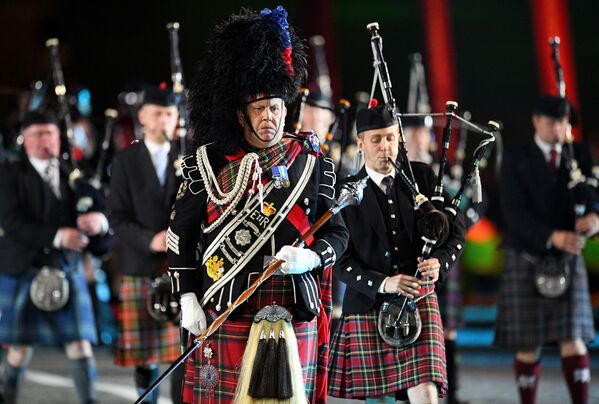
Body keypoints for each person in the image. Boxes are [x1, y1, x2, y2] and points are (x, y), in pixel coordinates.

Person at [166, 6, 348, 403]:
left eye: (276, 108)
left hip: (294, 302)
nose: (270, 117)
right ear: (241, 114)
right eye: (260, 108)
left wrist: (311, 259)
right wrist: (186, 295)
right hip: (225, 305)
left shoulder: (313, 164)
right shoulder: (209, 165)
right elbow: (179, 234)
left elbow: (337, 233)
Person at [328, 102, 466, 403]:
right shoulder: (345, 193)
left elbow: (456, 230)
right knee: (381, 400)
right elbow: (339, 260)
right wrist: (383, 283)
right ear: (361, 144)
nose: (385, 146)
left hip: (418, 300)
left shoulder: (423, 178)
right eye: (376, 139)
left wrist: (440, 262)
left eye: (390, 138)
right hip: (367, 305)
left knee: (427, 394)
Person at [0, 110, 110, 404]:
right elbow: (10, 222)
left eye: (50, 133)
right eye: (37, 134)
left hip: (65, 267)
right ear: (25, 140)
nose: (45, 140)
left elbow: (101, 206)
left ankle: (90, 402)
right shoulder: (9, 174)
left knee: (80, 345)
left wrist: (100, 221)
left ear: (59, 138)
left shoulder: (73, 174)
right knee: (19, 348)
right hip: (24, 267)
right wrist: (58, 236)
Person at [495, 95, 597, 404]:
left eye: (564, 122)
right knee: (529, 343)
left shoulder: (579, 154)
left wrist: (595, 218)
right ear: (536, 121)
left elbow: (594, 195)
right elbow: (512, 212)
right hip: (527, 254)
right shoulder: (516, 157)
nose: (558, 128)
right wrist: (551, 236)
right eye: (552, 122)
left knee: (574, 341)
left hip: (567, 258)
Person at [108, 85, 184, 403]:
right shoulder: (125, 162)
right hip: (140, 265)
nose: (164, 120)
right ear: (142, 117)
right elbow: (117, 217)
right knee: (147, 357)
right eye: (157, 114)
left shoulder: (190, 160)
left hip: (182, 267)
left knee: (184, 350)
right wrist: (149, 240)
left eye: (169, 114)